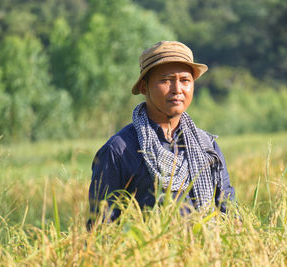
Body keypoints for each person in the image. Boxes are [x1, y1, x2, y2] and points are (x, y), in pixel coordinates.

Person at [88, 41, 236, 228]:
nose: (177, 89)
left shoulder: (207, 146)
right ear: (144, 87)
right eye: (166, 80)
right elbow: (101, 228)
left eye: (185, 80)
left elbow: (229, 212)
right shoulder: (119, 150)